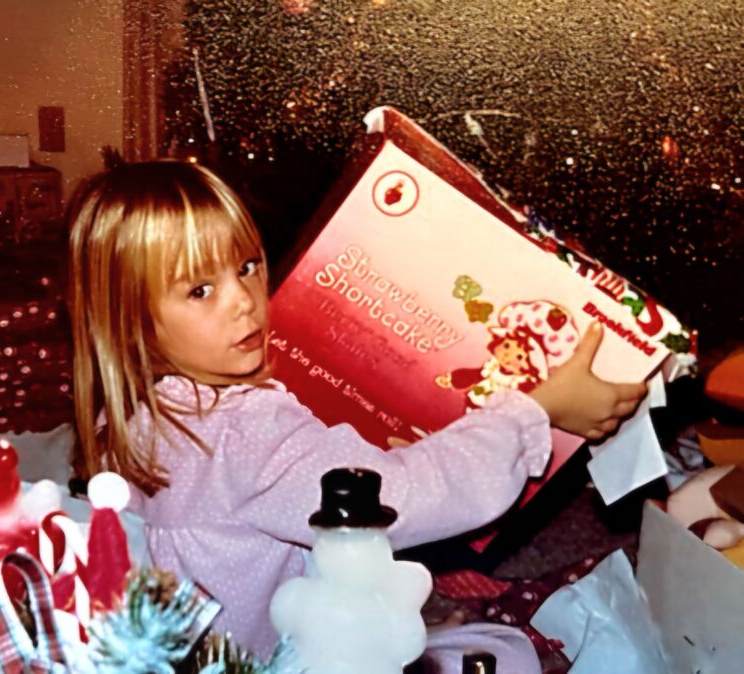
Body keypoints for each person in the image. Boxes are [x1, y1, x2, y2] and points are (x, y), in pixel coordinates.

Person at [68, 160, 646, 660]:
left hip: (192, 650)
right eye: (200, 290)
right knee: (505, 653)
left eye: (246, 265)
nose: (244, 299)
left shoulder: (135, 414)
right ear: (132, 321)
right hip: (272, 658)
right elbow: (402, 499)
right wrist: (535, 411)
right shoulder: (246, 432)